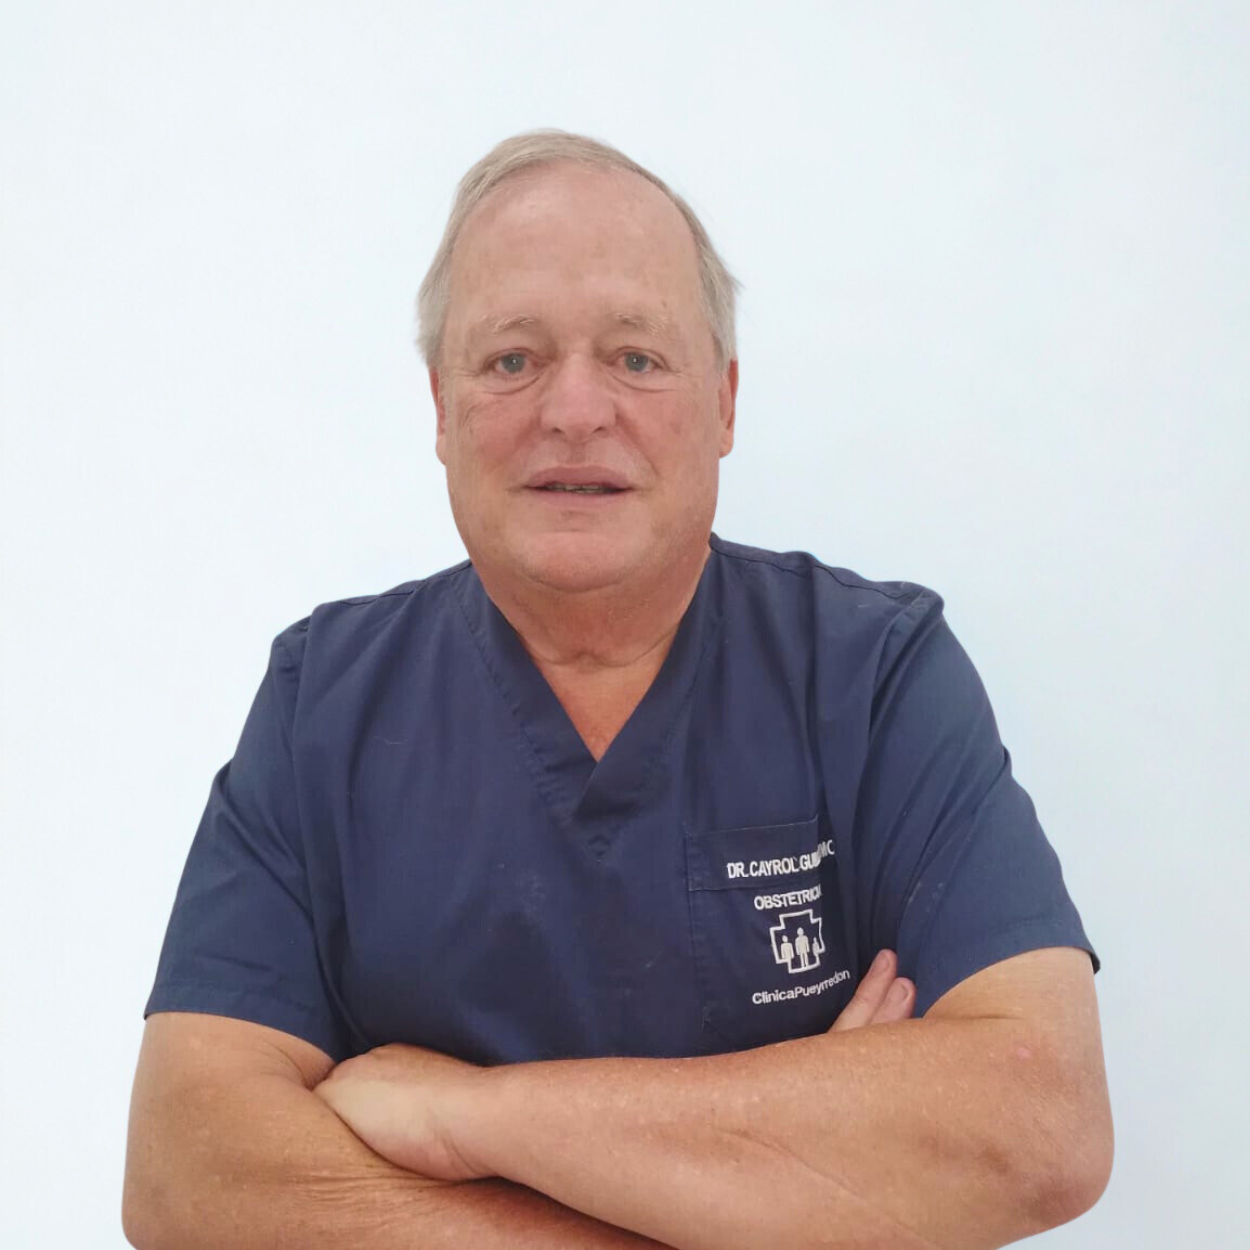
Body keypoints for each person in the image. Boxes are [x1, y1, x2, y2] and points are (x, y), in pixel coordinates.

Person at [123, 130, 1113, 1250]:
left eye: (637, 358)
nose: (575, 410)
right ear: (440, 407)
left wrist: (466, 1115)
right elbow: (185, 1172)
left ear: (725, 402)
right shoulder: (326, 705)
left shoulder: (872, 676)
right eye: (512, 361)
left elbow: (1039, 1121)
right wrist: (785, 1180)